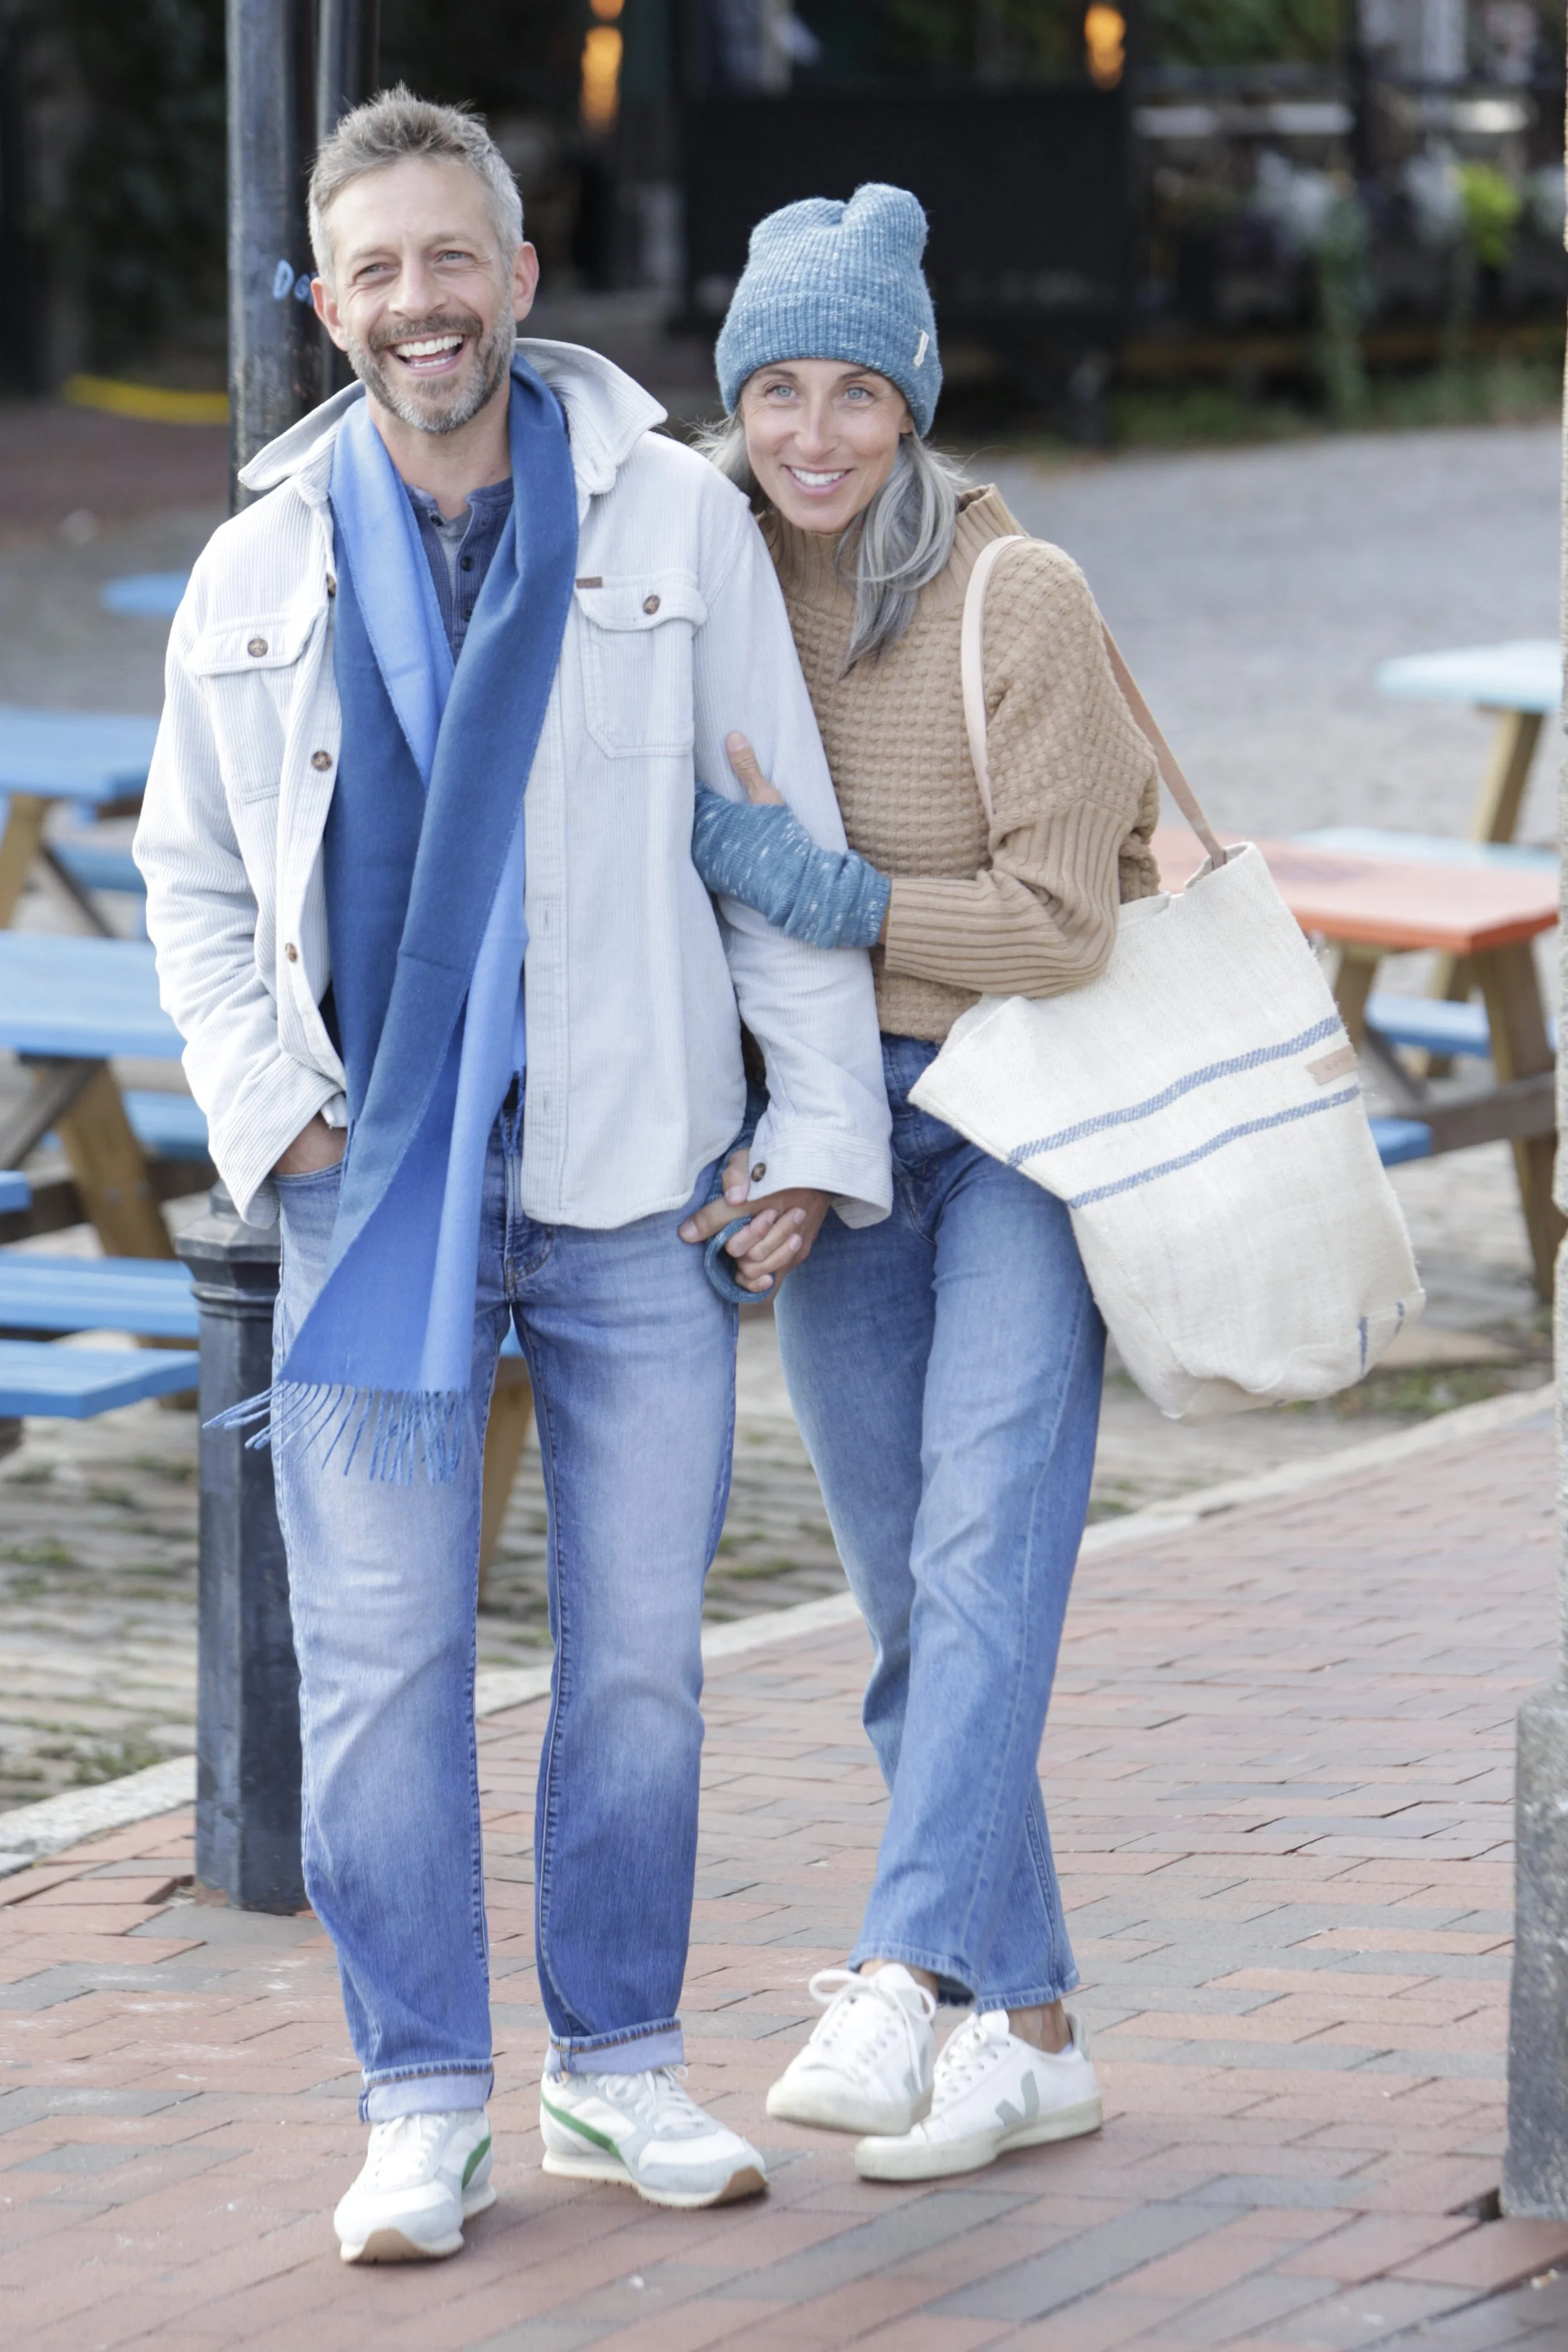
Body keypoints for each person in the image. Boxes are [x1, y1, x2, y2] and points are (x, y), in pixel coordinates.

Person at [135, 93, 891, 2263]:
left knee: (637, 1656)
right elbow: (192, 883)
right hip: (363, 1192)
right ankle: (418, 2100)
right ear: (322, 302)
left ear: (521, 279)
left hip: (632, 1172)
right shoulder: (255, 563)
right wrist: (268, 1104)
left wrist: (820, 1128)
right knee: (380, 1663)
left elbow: (778, 846)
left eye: (449, 259)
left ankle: (619, 2064)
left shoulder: (672, 516)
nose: (416, 304)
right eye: (372, 269)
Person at [680, 184, 1161, 2182]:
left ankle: (902, 1967)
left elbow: (1054, 925)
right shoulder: (705, 575)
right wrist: (772, 1126)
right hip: (847, 1133)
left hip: (1029, 1124)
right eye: (773, 386)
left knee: (983, 1555)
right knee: (904, 1594)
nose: (808, 431)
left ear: (911, 402)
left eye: (851, 392)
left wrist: (824, 893)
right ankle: (1030, 2027)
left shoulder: (1013, 593)